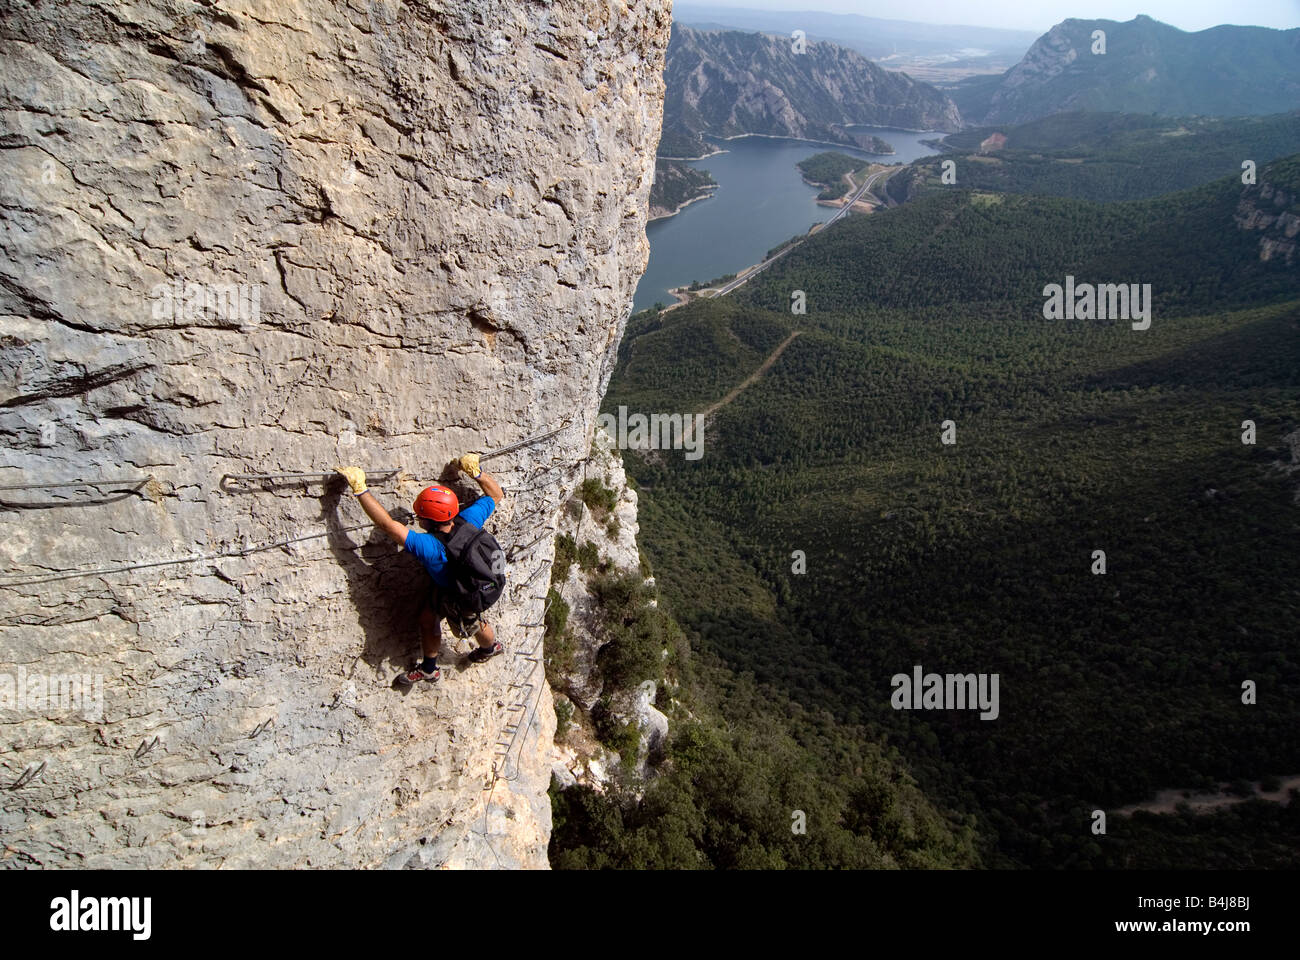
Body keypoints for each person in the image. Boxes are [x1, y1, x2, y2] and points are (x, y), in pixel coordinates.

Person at [336, 455, 505, 685]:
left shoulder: (430, 547)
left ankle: (482, 651)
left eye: (420, 516)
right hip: (480, 581)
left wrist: (360, 489)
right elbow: (496, 495)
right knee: (430, 617)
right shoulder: (469, 519)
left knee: (469, 622)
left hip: (460, 594)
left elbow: (387, 525)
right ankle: (438, 665)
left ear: (428, 521)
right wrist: (476, 472)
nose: (417, 519)